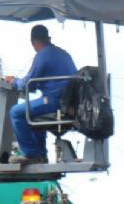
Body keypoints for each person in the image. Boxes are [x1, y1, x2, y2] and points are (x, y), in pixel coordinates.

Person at [4, 24, 77, 164]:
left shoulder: (43, 55)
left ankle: (31, 154)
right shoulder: (63, 53)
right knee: (34, 112)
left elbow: (26, 84)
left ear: (34, 42)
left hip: (54, 101)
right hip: (68, 101)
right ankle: (41, 154)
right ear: (48, 38)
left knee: (16, 112)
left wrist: (13, 81)